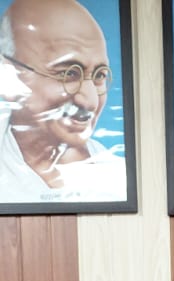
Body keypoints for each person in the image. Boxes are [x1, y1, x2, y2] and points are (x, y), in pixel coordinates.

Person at [0, 0, 127, 202]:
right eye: (68, 74)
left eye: (99, 76)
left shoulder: (118, 182)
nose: (90, 101)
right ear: (8, 76)